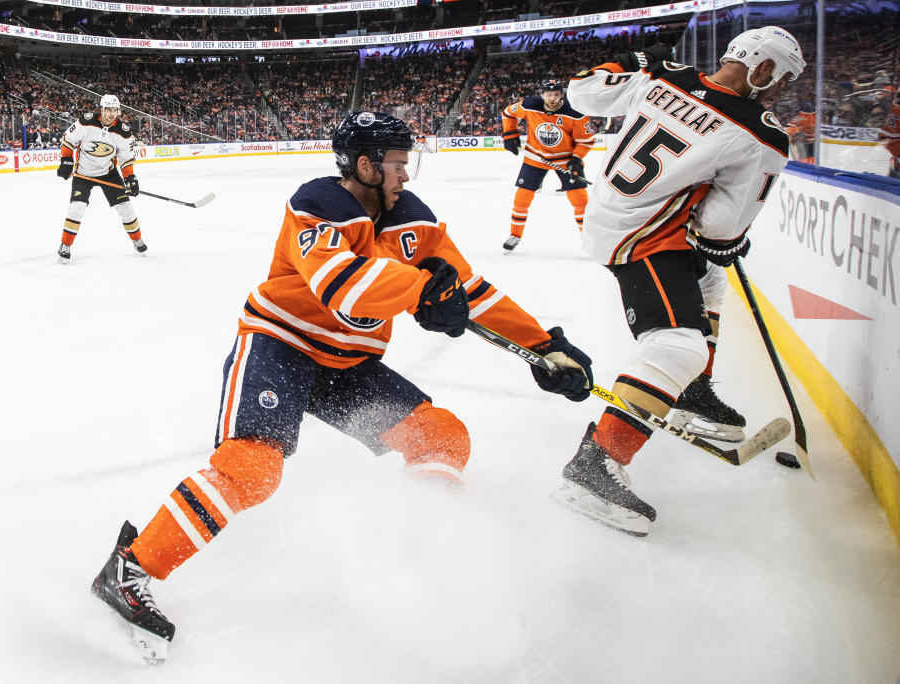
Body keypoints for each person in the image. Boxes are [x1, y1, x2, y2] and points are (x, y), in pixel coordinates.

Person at [90, 111, 594, 661]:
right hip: (282, 343)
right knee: (253, 468)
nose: (407, 175)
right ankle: (131, 568)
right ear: (365, 164)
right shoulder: (319, 204)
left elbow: (469, 290)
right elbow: (341, 286)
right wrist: (421, 290)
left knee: (441, 438)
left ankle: (420, 538)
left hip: (348, 366)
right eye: (398, 164)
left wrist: (543, 346)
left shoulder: (416, 222)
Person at [557, 27, 804, 535]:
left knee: (710, 283)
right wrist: (728, 242)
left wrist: (630, 60)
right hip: (642, 236)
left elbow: (580, 92)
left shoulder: (662, 74)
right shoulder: (762, 133)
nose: (779, 92)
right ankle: (595, 465)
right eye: (780, 80)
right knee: (677, 345)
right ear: (761, 69)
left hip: (609, 211)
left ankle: (690, 395)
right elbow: (720, 227)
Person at [500, 79, 594, 252]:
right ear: (542, 94)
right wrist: (510, 134)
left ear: (562, 95)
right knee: (522, 198)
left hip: (565, 160)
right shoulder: (529, 105)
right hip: (536, 157)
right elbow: (507, 113)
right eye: (548, 94)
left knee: (580, 200)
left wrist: (576, 161)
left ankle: (590, 239)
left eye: (556, 94)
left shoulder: (575, 113)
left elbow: (586, 141)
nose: (552, 98)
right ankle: (514, 235)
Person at [55, 94, 145, 262]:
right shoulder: (86, 122)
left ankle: (137, 240)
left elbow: (126, 159)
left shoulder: (123, 132)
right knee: (77, 207)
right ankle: (65, 245)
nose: (112, 114)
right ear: (101, 109)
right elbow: (68, 141)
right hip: (83, 173)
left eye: (115, 110)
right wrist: (66, 160)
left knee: (125, 207)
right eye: (109, 110)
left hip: (108, 174)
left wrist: (130, 178)